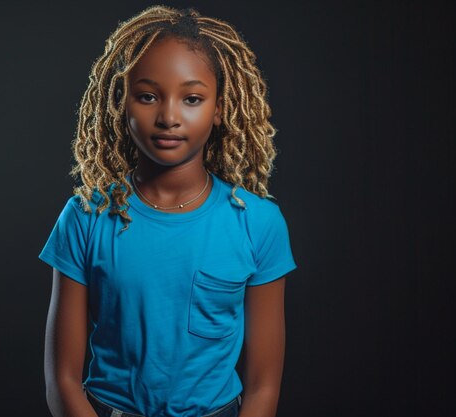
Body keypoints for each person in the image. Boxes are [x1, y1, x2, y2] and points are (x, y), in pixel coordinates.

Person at [39, 5, 297, 417]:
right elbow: (63, 380)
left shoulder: (257, 223)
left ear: (219, 108)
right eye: (147, 96)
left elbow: (264, 385)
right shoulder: (85, 216)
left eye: (192, 98)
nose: (169, 117)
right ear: (122, 104)